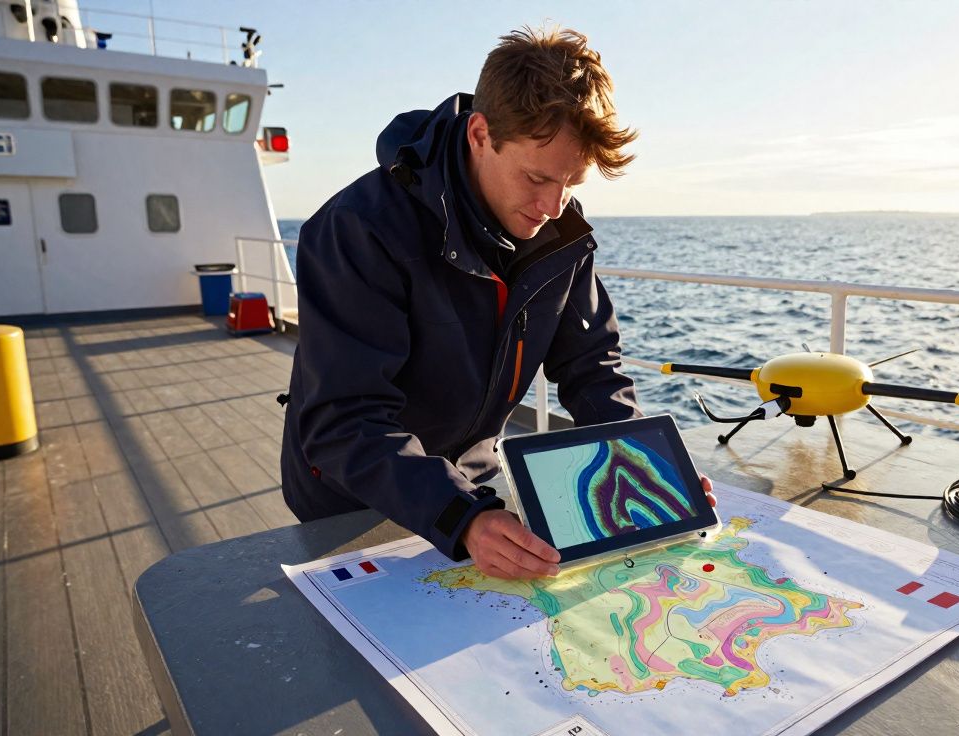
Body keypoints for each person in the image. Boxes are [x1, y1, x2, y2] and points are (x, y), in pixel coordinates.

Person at [279, 26, 712, 580]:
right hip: (348, 496)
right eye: (537, 177)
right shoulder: (358, 229)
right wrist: (461, 516)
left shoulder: (560, 239)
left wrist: (648, 468)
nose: (553, 207)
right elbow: (344, 419)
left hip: (473, 485)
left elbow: (591, 369)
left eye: (571, 184)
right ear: (480, 134)